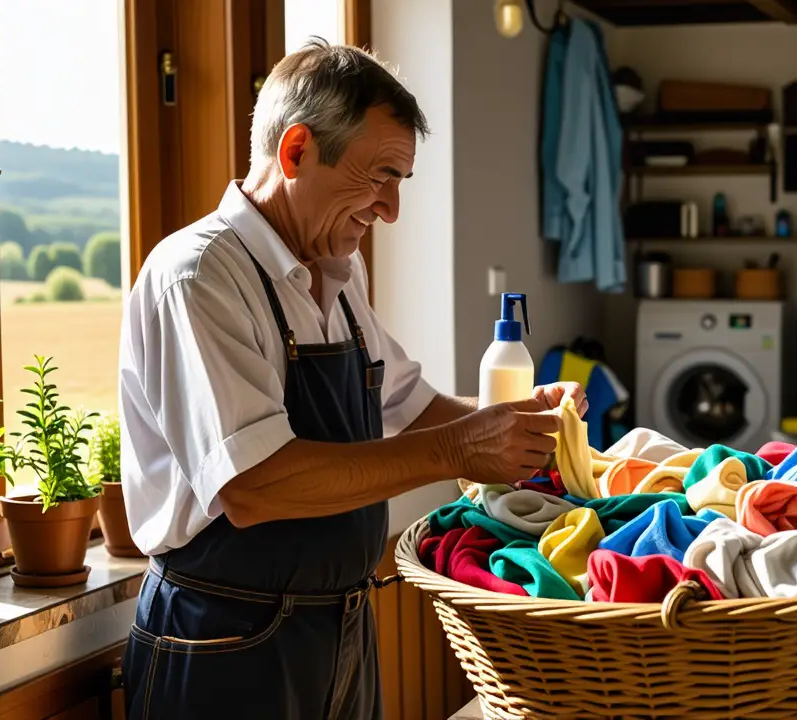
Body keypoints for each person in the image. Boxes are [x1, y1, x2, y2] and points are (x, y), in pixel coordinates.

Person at [117, 40, 585, 719]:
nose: (390, 210)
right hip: (224, 640)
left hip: (339, 628)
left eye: (401, 181)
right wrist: (460, 449)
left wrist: (519, 421)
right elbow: (252, 485)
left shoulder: (337, 268)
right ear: (296, 151)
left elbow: (408, 403)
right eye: (380, 177)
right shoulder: (200, 277)